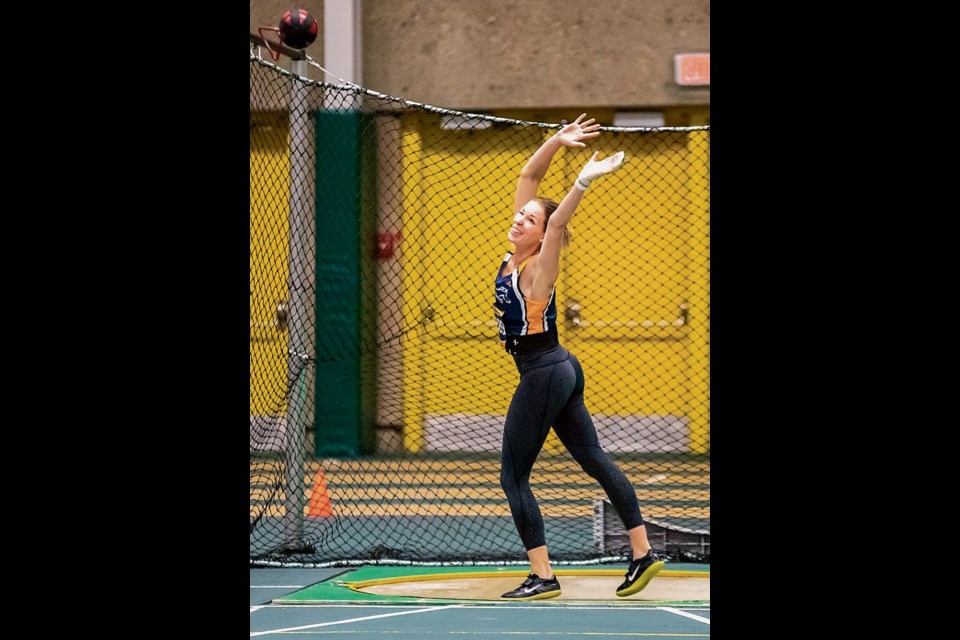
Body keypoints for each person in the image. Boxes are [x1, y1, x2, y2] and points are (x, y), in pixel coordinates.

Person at [495, 114, 664, 601]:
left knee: (513, 477)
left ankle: (544, 576)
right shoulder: (514, 253)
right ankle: (642, 553)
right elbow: (529, 178)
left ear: (541, 233)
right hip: (560, 368)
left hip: (544, 371)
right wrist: (555, 140)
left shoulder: (538, 269)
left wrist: (581, 184)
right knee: (592, 459)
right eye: (520, 215)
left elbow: (559, 221)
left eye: (528, 219)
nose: (518, 219)